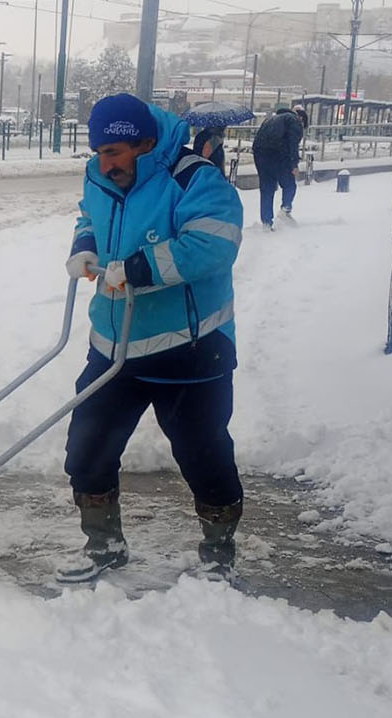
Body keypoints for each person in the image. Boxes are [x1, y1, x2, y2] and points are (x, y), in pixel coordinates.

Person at [59, 92, 245, 582]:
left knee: (203, 453)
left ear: (144, 144)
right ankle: (104, 545)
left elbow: (212, 245)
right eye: (98, 152)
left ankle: (219, 550)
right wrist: (85, 246)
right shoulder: (98, 175)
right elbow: (89, 216)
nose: (105, 163)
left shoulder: (194, 178)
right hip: (114, 342)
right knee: (87, 447)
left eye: (114, 152)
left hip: (190, 346)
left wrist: (138, 268)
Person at [251, 104, 304, 229]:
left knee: (267, 189)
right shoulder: (294, 120)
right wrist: (294, 164)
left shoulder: (269, 120)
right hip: (279, 155)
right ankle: (285, 209)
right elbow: (293, 144)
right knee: (289, 185)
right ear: (301, 118)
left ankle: (266, 222)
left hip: (260, 155)